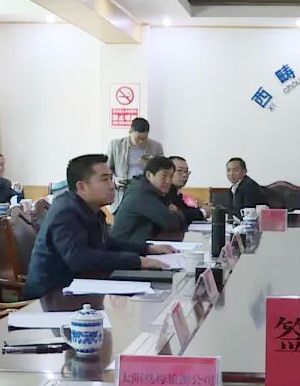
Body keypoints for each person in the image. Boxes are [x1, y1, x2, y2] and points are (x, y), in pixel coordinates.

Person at [24, 155, 172, 299]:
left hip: (81, 285)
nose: (112, 185)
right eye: (104, 179)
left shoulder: (89, 208)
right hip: (51, 297)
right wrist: (137, 261)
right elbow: (80, 259)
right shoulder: (66, 211)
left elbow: (107, 243)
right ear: (82, 187)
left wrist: (148, 249)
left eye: (111, 179)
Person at [109, 157, 185, 245]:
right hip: (124, 248)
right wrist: (177, 213)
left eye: (171, 176)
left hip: (137, 245)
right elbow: (171, 223)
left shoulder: (155, 192)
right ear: (149, 175)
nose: (168, 181)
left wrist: (176, 213)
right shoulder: (141, 194)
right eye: (164, 176)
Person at [107, 118, 164, 208]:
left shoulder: (156, 146)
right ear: (130, 131)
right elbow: (107, 168)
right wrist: (115, 179)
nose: (141, 141)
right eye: (137, 138)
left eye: (144, 139)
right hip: (123, 189)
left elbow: (162, 169)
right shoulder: (116, 145)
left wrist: (152, 164)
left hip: (146, 189)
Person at [167, 156, 210, 223]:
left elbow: (184, 209)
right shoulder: (166, 191)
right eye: (179, 171)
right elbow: (177, 213)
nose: (184, 175)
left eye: (186, 171)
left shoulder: (176, 191)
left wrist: (203, 209)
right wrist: (203, 212)